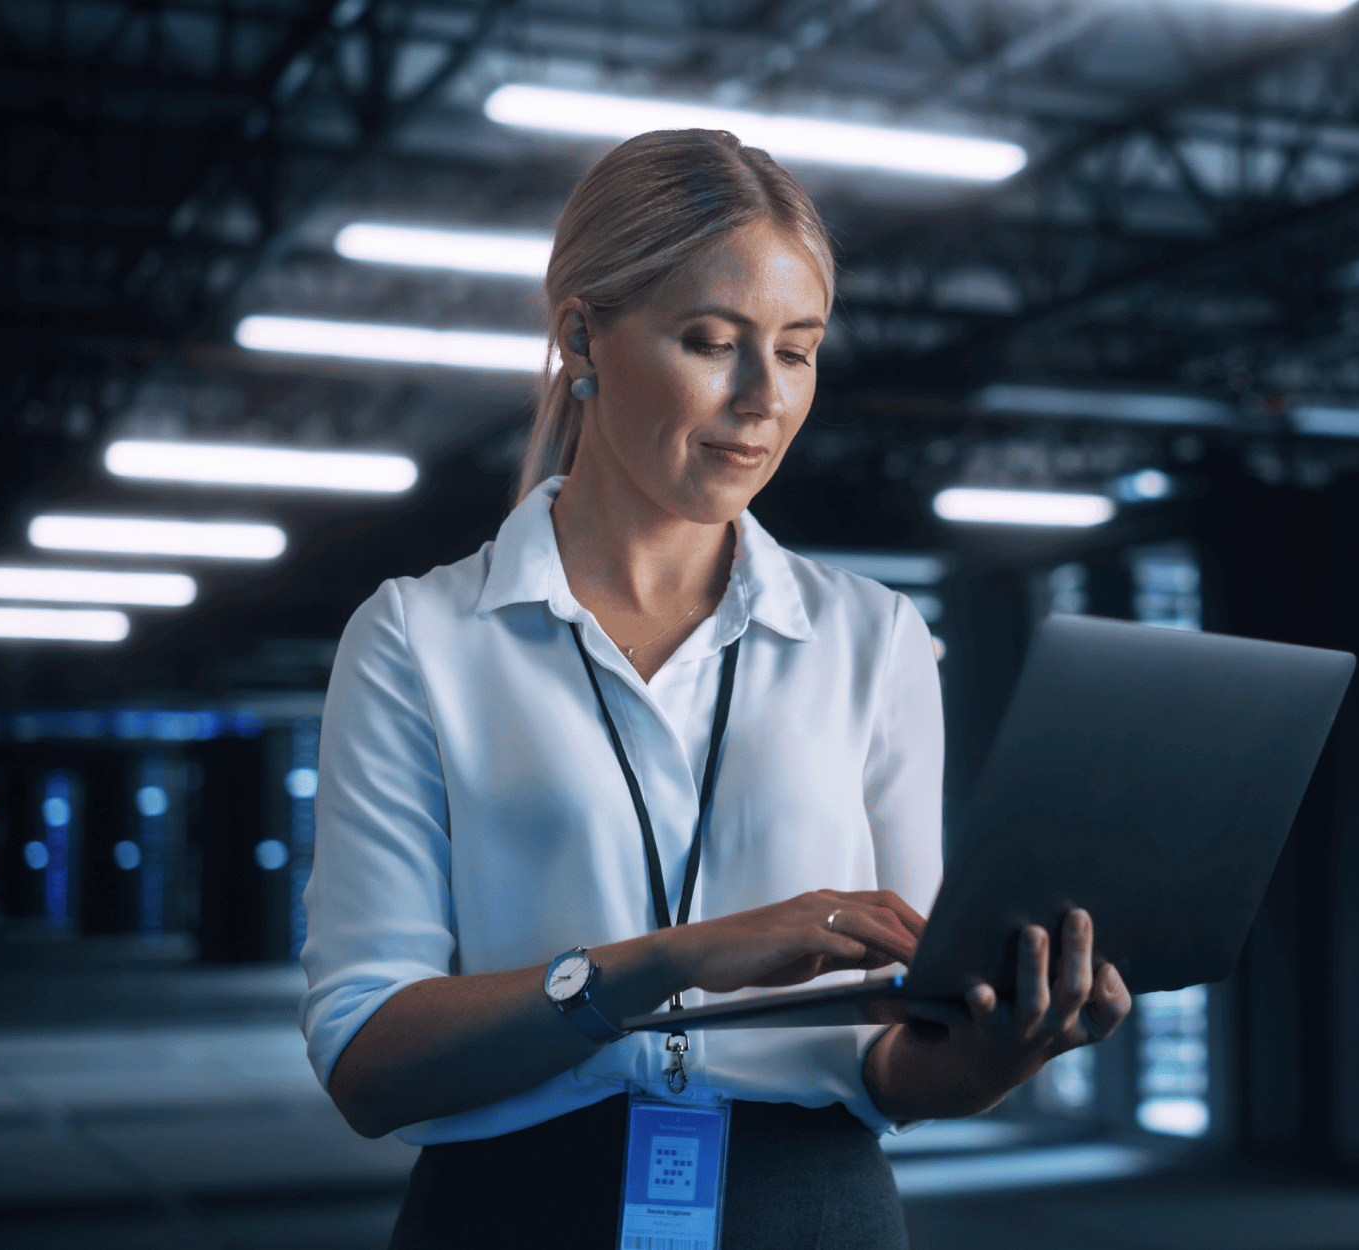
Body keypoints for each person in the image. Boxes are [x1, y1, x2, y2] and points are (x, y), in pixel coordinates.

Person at [300, 128, 1131, 1250]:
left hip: (817, 1210)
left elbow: (896, 1052)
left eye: (797, 351)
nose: (762, 398)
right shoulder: (419, 636)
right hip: (513, 1211)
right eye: (711, 341)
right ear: (582, 335)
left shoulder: (871, 637)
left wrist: (1004, 1040)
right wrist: (671, 960)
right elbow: (367, 1062)